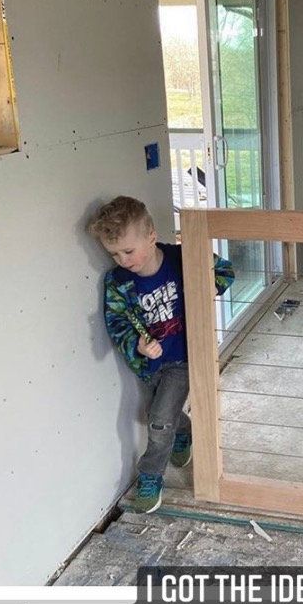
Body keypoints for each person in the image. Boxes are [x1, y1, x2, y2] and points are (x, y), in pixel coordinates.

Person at [87, 195, 235, 513]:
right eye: (113, 253)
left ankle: (150, 475)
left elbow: (225, 270)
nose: (124, 260)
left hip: (184, 357)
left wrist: (209, 285)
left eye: (129, 250)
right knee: (154, 415)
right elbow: (116, 323)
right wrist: (137, 346)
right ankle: (184, 432)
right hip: (150, 364)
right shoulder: (117, 282)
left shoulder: (182, 257)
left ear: (151, 235)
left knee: (157, 423)